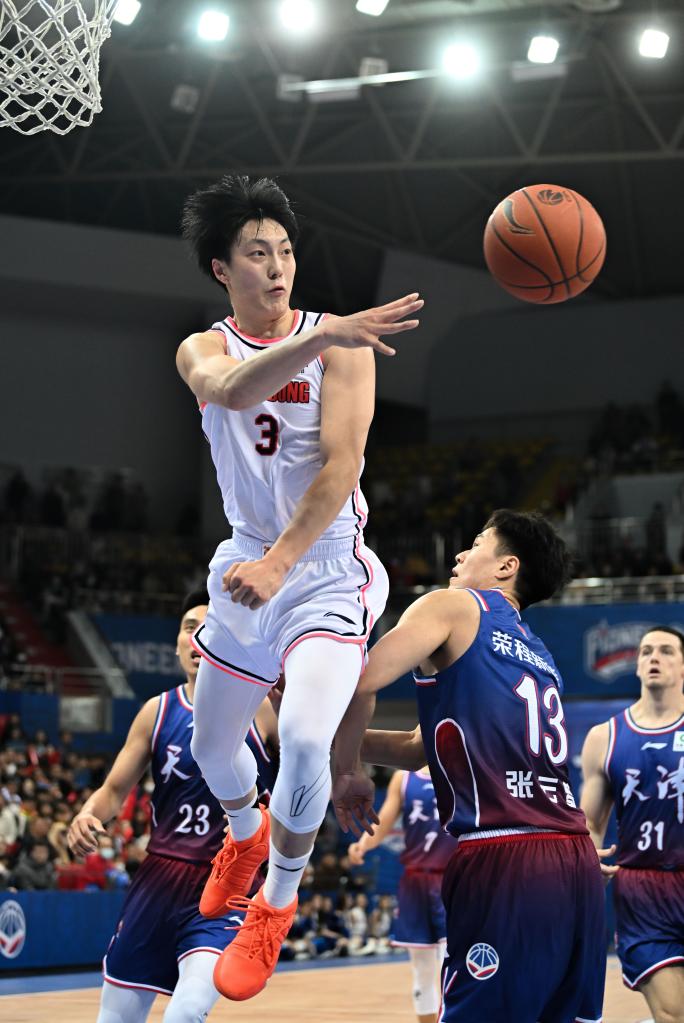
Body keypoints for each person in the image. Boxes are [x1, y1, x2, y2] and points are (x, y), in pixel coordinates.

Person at [176, 173, 422, 1000]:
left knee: (307, 740)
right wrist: (318, 338)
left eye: (285, 250)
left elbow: (342, 465)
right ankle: (245, 833)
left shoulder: (344, 345)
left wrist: (283, 561)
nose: (278, 266)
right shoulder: (202, 347)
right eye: (257, 253)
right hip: (247, 561)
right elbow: (231, 388)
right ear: (223, 268)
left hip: (323, 570)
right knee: (211, 749)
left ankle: (276, 902)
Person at [334, 509, 609, 1023]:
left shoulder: (453, 605)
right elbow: (418, 749)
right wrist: (325, 741)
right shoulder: (540, 654)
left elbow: (358, 681)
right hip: (574, 859)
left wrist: (342, 766)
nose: (460, 554)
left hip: (505, 855)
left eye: (477, 542)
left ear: (507, 566)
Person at [67, 589, 279, 1023]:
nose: (199, 637)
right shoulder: (157, 710)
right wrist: (87, 814)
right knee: (115, 1018)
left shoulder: (263, 710)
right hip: (158, 880)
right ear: (178, 645)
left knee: (186, 1012)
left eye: (210, 627)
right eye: (189, 627)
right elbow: (113, 790)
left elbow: (308, 774)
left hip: (228, 882)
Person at [580, 626, 684, 1023]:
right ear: (637, 665)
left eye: (666, 651)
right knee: (672, 1013)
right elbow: (590, 822)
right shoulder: (604, 738)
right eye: (646, 651)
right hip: (643, 891)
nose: (654, 657)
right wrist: (589, 859)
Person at [348, 766, 456, 1023]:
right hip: (416, 881)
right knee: (422, 969)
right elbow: (383, 821)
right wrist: (362, 844)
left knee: (453, 966)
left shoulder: (463, 768)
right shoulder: (403, 778)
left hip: (453, 878)